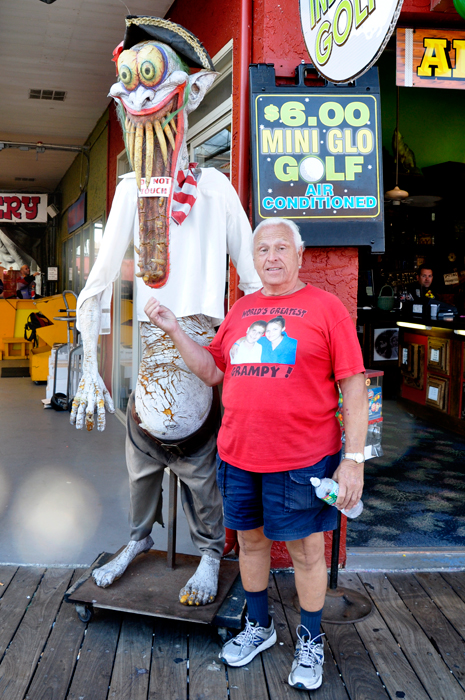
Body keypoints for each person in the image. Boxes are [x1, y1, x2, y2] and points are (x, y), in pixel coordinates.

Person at [71, 17, 261, 607]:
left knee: (202, 471)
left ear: (192, 92)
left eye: (149, 76)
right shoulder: (130, 191)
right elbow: (95, 284)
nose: (137, 93)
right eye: (128, 79)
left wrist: (253, 372)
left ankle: (208, 550)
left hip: (202, 353)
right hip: (149, 360)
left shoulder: (218, 191)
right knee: (142, 462)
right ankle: (135, 540)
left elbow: (252, 284)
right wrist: (87, 370)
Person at [145, 217, 368, 691]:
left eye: (280, 248)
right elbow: (212, 370)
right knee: (250, 542)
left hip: (304, 459)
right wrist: (173, 331)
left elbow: (354, 385)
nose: (271, 257)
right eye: (262, 249)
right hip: (239, 454)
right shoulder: (243, 309)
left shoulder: (326, 309)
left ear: (299, 254)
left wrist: (353, 460)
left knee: (309, 553)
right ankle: (260, 627)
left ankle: (310, 640)